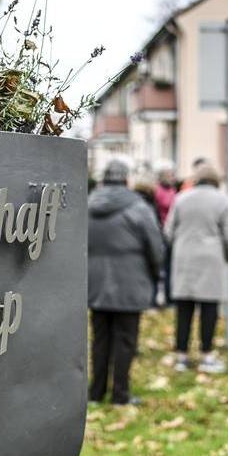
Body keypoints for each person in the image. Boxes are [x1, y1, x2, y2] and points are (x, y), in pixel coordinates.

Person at [87, 161, 166, 405]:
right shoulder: (139, 207)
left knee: (100, 339)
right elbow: (156, 247)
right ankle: (120, 394)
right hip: (130, 281)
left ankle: (96, 392)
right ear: (126, 179)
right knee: (125, 340)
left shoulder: (87, 204)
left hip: (95, 282)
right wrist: (156, 274)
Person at [165, 163, 228, 373]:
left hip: (184, 257)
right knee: (209, 309)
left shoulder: (181, 198)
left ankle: (181, 356)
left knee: (183, 309)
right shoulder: (223, 200)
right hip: (211, 258)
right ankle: (206, 355)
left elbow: (168, 231)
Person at [154, 167, 179, 306]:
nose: (173, 178)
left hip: (171, 232)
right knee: (162, 267)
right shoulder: (158, 191)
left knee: (170, 266)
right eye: (170, 176)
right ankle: (159, 296)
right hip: (161, 231)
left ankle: (169, 295)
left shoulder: (172, 190)